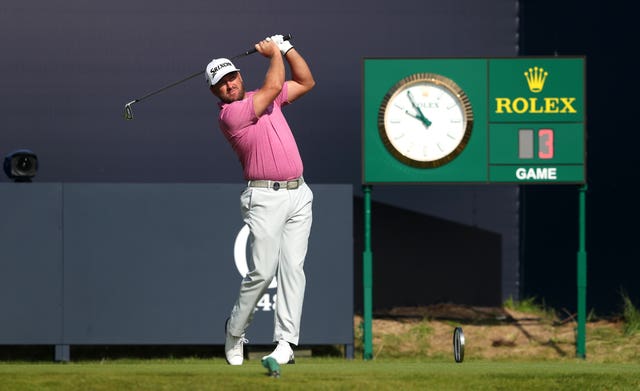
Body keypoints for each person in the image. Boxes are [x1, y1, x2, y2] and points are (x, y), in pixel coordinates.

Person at [205, 34, 315, 366]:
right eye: (221, 83)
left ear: (240, 75)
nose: (229, 85)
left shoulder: (264, 96)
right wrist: (272, 54)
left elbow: (306, 81)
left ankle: (286, 343)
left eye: (232, 77)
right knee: (263, 272)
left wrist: (287, 48)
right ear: (214, 92)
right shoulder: (231, 115)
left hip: (299, 193)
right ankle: (235, 333)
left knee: (293, 269)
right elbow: (273, 86)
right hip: (264, 197)